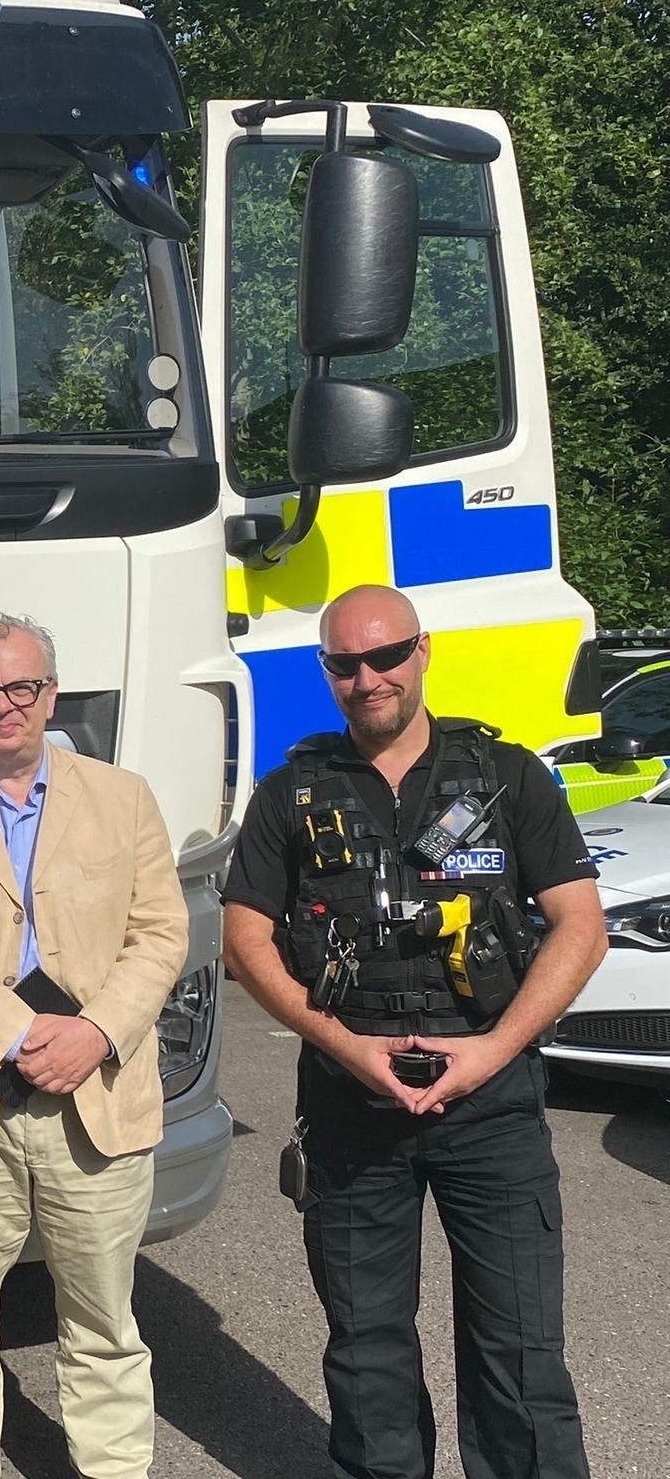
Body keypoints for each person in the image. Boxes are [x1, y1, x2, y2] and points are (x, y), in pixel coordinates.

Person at [221, 583, 604, 1479]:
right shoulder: (291, 792)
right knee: (367, 1354)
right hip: (354, 1103)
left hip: (492, 1102)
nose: (369, 678)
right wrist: (344, 1045)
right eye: (346, 664)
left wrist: (492, 1053)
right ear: (328, 673)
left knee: (520, 1357)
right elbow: (245, 939)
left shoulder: (507, 779)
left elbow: (578, 927)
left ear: (422, 652)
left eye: (386, 655)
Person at [0, 611, 186, 1479]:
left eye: (21, 687)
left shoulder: (124, 798)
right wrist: (16, 1034)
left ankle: (113, 1468)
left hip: (95, 1098)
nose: (2, 705)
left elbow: (160, 933)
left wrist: (92, 1032)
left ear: (50, 694)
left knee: (102, 1324)